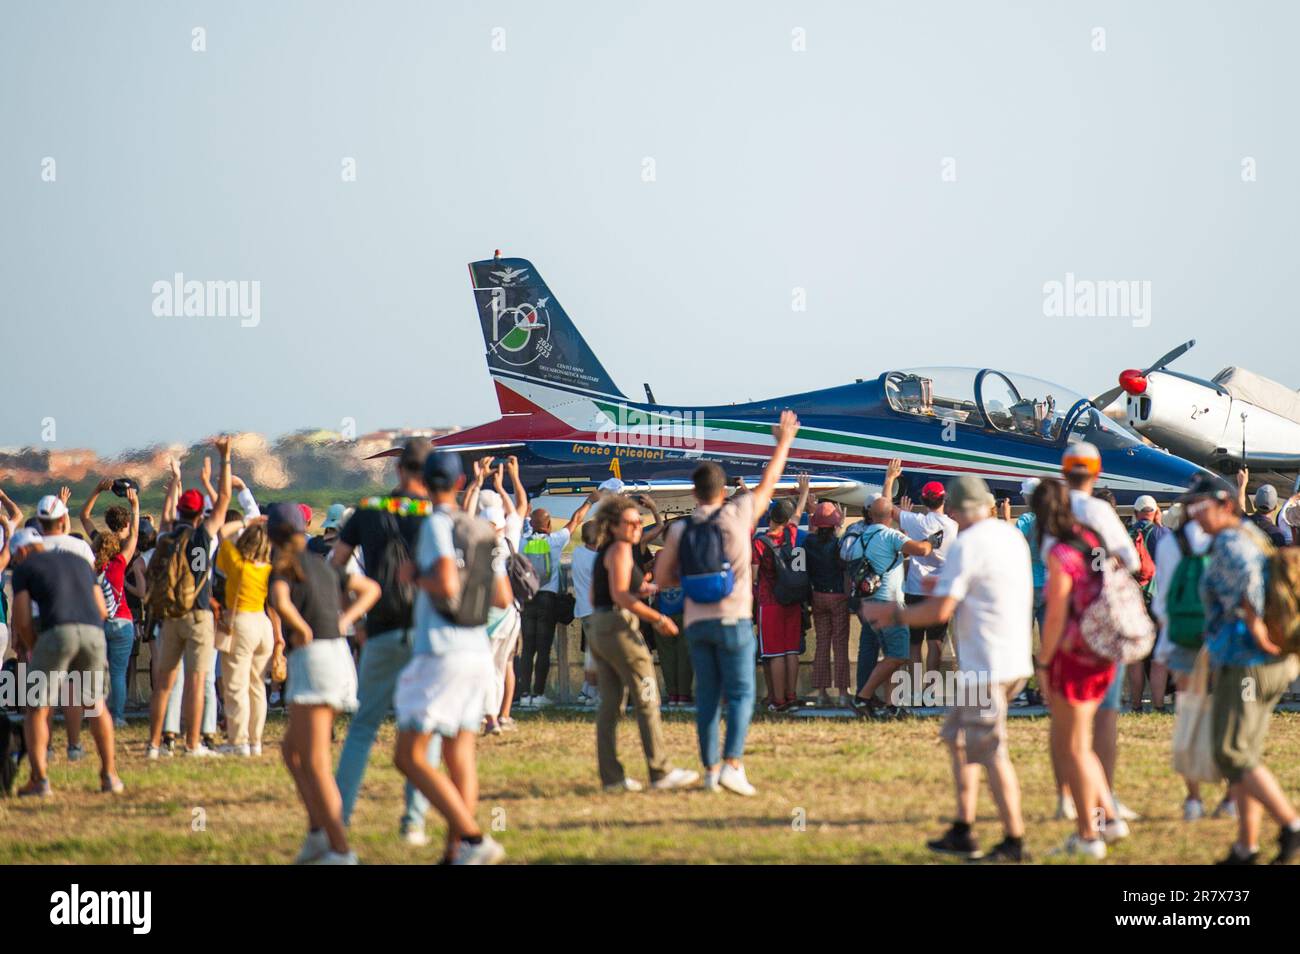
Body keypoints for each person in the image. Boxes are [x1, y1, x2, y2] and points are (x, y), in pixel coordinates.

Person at [861, 477, 1032, 861]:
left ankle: (1014, 841)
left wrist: (892, 613)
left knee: (991, 751)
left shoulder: (968, 543)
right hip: (1011, 657)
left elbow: (939, 611)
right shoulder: (1009, 537)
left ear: (953, 509)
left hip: (986, 665)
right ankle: (963, 827)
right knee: (956, 737)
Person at [655, 409, 801, 796]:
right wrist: (783, 441)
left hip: (697, 622)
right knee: (740, 694)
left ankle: (709, 770)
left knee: (707, 697)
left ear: (693, 492)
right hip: (734, 618)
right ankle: (734, 764)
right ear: (724, 492)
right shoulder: (738, 513)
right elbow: (770, 481)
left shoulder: (682, 528)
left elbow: (664, 576)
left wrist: (692, 578)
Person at [392, 450, 511, 864]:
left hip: (442, 648)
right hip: (476, 647)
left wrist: (415, 577)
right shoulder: (482, 529)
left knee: (407, 755)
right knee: (460, 754)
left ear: (424, 482)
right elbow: (502, 596)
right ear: (461, 483)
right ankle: (456, 849)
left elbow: (443, 581)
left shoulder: (436, 523)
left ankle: (474, 839)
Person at [331, 437, 443, 845]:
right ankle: (414, 822)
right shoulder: (435, 513)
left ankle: (338, 819)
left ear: (398, 469)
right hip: (426, 632)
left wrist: (353, 613)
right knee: (421, 728)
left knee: (362, 728)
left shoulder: (369, 509)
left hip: (379, 629)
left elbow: (336, 565)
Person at [1186, 477, 1300, 865]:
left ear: (1225, 506)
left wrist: (1260, 638)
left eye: (1200, 507)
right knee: (1245, 755)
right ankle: (1245, 847)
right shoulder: (1248, 534)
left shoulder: (1233, 546)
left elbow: (1250, 597)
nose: (1193, 515)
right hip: (1253, 660)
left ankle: (1291, 825)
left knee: (1231, 752)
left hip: (1248, 662)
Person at [269, 503, 378, 865]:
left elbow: (280, 601)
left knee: (314, 761)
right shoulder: (325, 564)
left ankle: (340, 848)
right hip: (336, 656)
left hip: (314, 659)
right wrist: (345, 619)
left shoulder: (285, 567)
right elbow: (370, 589)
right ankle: (318, 833)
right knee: (293, 751)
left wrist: (299, 628)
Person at [1032, 478, 1126, 859]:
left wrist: (1042, 660)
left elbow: (1055, 613)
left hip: (1074, 654)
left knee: (1073, 747)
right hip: (1102, 649)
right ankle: (1110, 817)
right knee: (1082, 744)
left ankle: (1089, 835)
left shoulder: (1059, 552)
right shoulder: (1090, 539)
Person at [1048, 443, 1140, 823]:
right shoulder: (1099, 510)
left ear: (1064, 470)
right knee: (1104, 714)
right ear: (1097, 473)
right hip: (1100, 619)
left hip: (1063, 615)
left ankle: (1065, 798)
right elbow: (1131, 561)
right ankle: (1105, 800)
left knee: (1064, 716)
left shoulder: (1052, 509)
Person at [586, 496, 698, 792]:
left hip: (600, 627)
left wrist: (646, 586)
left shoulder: (607, 550)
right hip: (619, 626)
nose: (638, 527)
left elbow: (603, 593)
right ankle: (660, 771)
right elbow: (621, 595)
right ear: (613, 526)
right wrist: (658, 618)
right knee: (647, 697)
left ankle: (612, 777)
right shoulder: (621, 548)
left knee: (610, 705)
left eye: (639, 522)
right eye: (631, 522)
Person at [9, 527, 123, 796]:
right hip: (94, 631)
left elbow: (23, 618)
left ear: (22, 551)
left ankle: (39, 780)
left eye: (15, 558)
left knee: (36, 706)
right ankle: (110, 775)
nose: (15, 563)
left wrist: (35, 646)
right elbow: (103, 609)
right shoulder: (79, 560)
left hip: (56, 630)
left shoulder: (26, 568)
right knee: (96, 705)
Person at [146, 437, 233, 758]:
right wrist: (225, 458)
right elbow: (224, 498)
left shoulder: (167, 535)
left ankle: (154, 745)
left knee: (165, 684)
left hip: (170, 615)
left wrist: (175, 480)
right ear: (200, 514)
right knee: (197, 682)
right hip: (198, 613)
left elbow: (167, 513)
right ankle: (193, 744)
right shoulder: (203, 535)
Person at [1150, 502, 1230, 822]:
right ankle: (1230, 799)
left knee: (1188, 719)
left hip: (1182, 638)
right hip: (1222, 638)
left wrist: (1166, 637)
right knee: (1226, 719)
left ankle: (1194, 800)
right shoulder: (1227, 538)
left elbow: (1163, 598)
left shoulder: (1172, 542)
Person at [847, 495, 933, 718]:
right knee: (898, 655)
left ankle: (890, 704)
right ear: (890, 516)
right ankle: (862, 697)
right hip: (889, 604)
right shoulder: (890, 535)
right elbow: (922, 550)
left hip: (869, 604)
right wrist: (932, 541)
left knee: (888, 655)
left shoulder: (862, 537)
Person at [881, 460, 957, 699]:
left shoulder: (916, 522)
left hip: (915, 588)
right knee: (935, 641)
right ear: (943, 500)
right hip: (941, 590)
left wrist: (890, 479)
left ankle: (914, 689)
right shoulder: (953, 526)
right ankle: (930, 689)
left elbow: (886, 508)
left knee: (915, 643)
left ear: (924, 501)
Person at [517, 492, 598, 707]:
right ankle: (539, 694)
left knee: (527, 648)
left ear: (532, 523)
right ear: (549, 524)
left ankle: (525, 695)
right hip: (547, 599)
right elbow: (575, 520)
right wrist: (589, 501)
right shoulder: (554, 540)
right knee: (543, 649)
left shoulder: (522, 541)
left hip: (527, 599)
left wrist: (525, 514)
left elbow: (524, 526)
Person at [215, 520, 279, 756]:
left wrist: (245, 521)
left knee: (235, 686)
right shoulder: (269, 569)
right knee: (257, 686)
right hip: (264, 625)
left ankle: (238, 741)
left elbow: (220, 532)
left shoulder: (239, 564)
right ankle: (256, 741)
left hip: (241, 622)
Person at [752, 475, 810, 711]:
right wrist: (803, 492)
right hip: (793, 600)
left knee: (774, 653)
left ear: (770, 517)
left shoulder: (759, 542)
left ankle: (778, 701)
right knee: (791, 651)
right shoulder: (793, 534)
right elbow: (797, 515)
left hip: (770, 602)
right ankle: (792, 695)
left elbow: (754, 576)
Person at [90, 487, 140, 728]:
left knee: (100, 672)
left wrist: (97, 491)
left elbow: (84, 517)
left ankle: (98, 715)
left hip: (100, 622)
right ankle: (117, 717)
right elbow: (135, 536)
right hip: (122, 620)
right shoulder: (121, 562)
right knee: (118, 674)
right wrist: (135, 506)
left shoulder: (97, 567)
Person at [1126, 494, 1169, 714]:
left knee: (1135, 658)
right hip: (1157, 600)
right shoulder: (1163, 534)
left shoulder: (1127, 535)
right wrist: (1160, 524)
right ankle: (1159, 705)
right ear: (1156, 511)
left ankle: (1135, 705)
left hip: (1133, 601)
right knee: (1158, 658)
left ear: (1135, 513)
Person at [806, 501, 851, 708]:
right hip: (838, 597)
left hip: (817, 596)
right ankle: (843, 692)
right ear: (835, 524)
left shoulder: (809, 542)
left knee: (822, 643)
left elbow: (812, 532)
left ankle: (821, 692)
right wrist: (840, 525)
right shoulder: (839, 544)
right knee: (840, 645)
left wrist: (812, 512)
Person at [569, 520, 601, 707]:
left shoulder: (577, 553)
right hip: (596, 609)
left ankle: (585, 690)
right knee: (597, 654)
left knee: (591, 651)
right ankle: (592, 692)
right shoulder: (597, 559)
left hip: (582, 609)